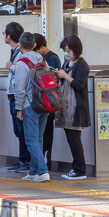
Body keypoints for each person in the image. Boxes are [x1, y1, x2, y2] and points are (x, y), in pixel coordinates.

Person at [13, 32, 49, 182]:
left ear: (19, 45)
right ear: (34, 45)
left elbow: (19, 89)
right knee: (38, 139)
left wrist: (19, 109)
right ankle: (33, 171)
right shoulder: (43, 60)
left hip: (30, 105)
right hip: (45, 103)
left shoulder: (21, 64)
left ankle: (43, 171)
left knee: (31, 140)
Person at [55, 35, 91, 180]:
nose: (66, 52)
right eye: (64, 50)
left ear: (76, 49)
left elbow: (79, 84)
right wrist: (59, 75)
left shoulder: (82, 65)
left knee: (75, 140)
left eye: (68, 50)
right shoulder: (67, 63)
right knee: (71, 140)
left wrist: (64, 75)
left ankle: (80, 170)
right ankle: (75, 168)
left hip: (76, 108)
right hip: (65, 108)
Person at [34, 33, 61, 170]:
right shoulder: (44, 58)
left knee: (47, 134)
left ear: (41, 47)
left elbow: (52, 80)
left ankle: (46, 161)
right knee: (42, 133)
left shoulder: (52, 58)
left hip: (49, 101)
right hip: (43, 101)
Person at [3, 21, 28, 171]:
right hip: (14, 96)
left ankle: (25, 161)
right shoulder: (15, 52)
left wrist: (11, 67)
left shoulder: (20, 53)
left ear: (8, 36)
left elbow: (21, 73)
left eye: (4, 33)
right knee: (19, 131)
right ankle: (22, 159)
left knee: (22, 131)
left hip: (18, 97)